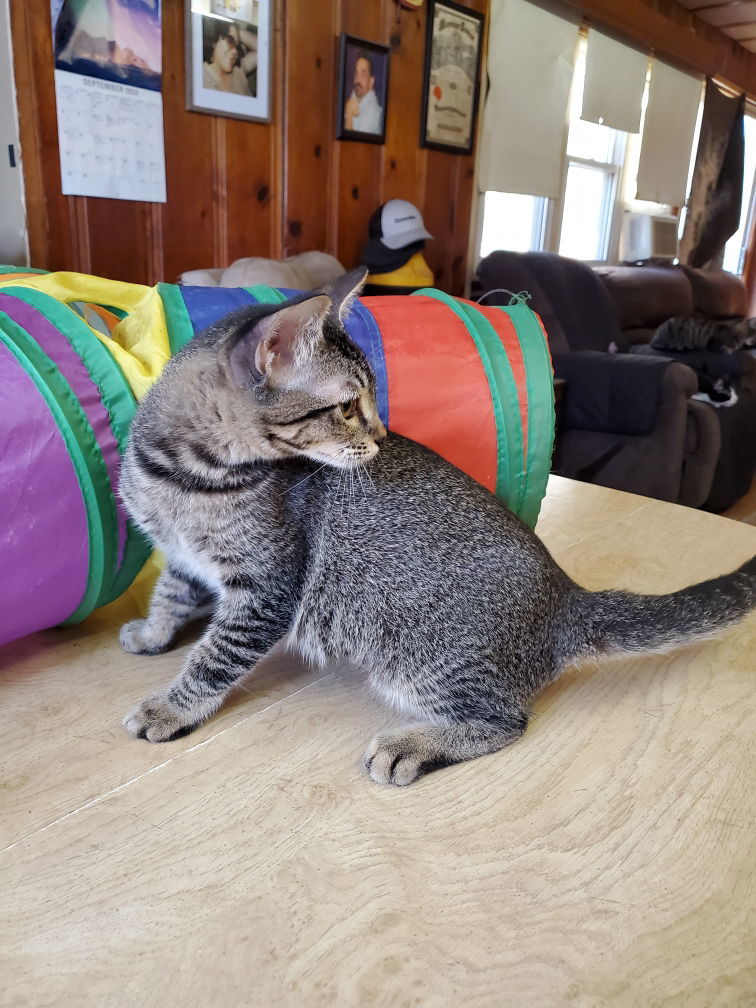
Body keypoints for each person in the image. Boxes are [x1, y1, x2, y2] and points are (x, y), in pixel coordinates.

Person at [202, 19, 257, 96]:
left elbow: (265, 50)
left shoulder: (238, 69)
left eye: (237, 46)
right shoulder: (198, 78)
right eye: (230, 41)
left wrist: (237, 31)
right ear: (214, 41)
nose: (235, 51)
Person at [344, 50, 382, 134]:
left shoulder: (372, 113)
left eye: (363, 74)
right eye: (356, 73)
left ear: (371, 82)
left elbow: (352, 145)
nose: (358, 79)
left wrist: (349, 115)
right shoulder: (355, 94)